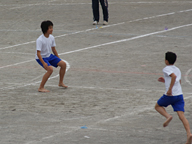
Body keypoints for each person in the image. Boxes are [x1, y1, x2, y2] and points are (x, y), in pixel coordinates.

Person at [155, 52, 192, 144]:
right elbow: (178, 82)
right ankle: (189, 134)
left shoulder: (166, 69)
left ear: (166, 61)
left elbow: (173, 76)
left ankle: (168, 116)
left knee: (157, 106)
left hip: (170, 95)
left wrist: (169, 89)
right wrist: (166, 81)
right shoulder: (177, 69)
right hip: (179, 95)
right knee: (182, 116)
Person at [35, 20, 68, 92]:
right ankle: (41, 87)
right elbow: (38, 53)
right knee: (50, 69)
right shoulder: (40, 40)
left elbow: (53, 49)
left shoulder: (52, 37)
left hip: (49, 56)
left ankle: (60, 83)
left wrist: (58, 59)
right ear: (45, 29)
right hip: (41, 57)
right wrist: (43, 63)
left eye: (52, 27)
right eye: (50, 28)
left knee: (63, 64)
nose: (52, 29)